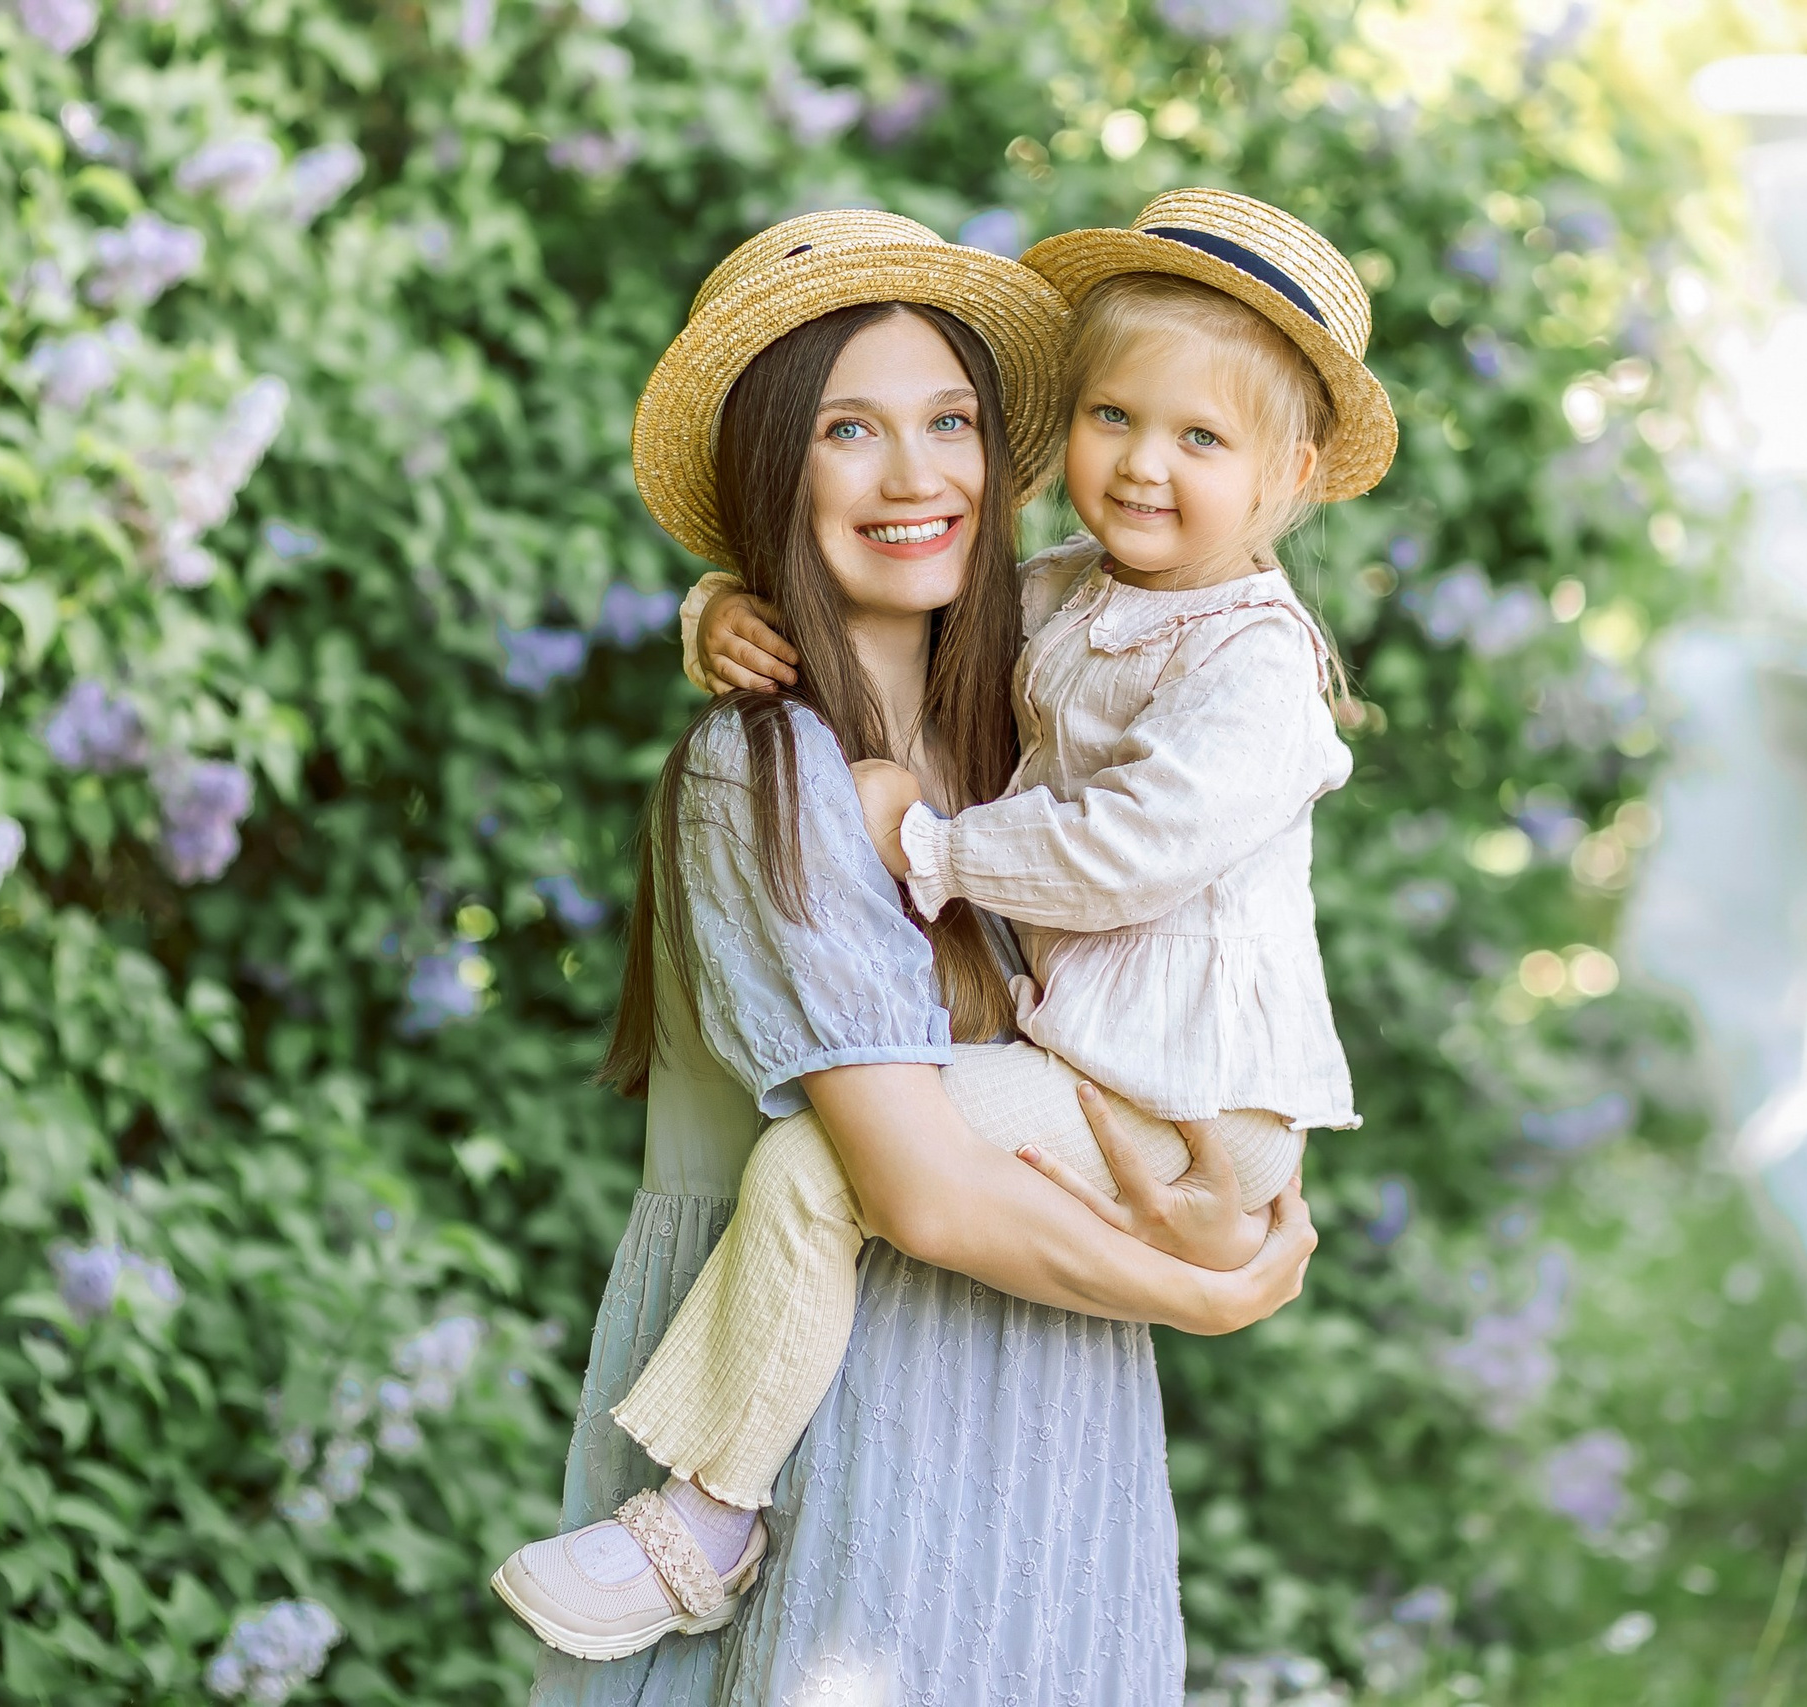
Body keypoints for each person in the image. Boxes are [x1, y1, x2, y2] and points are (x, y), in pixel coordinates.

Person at [499, 209, 1318, 1704]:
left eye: (948, 421)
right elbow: (923, 1189)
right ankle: (700, 1521)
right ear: (771, 470)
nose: (915, 474)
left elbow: (1188, 942)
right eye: (845, 433)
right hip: (847, 1450)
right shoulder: (769, 774)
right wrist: (1200, 1293)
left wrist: (1220, 1195)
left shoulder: (1024, 729)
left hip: (1048, 1433)